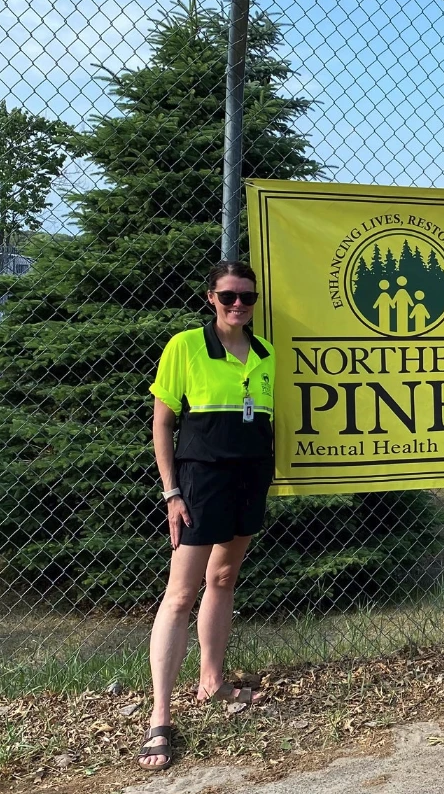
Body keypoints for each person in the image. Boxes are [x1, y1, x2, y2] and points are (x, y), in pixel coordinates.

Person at [137, 261, 275, 771]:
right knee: (179, 595)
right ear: (210, 298)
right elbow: (162, 422)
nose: (238, 304)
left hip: (250, 479)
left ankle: (212, 682)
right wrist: (172, 492)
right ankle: (160, 718)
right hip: (200, 483)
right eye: (228, 296)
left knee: (223, 578)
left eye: (247, 297)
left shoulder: (265, 353)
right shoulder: (186, 346)